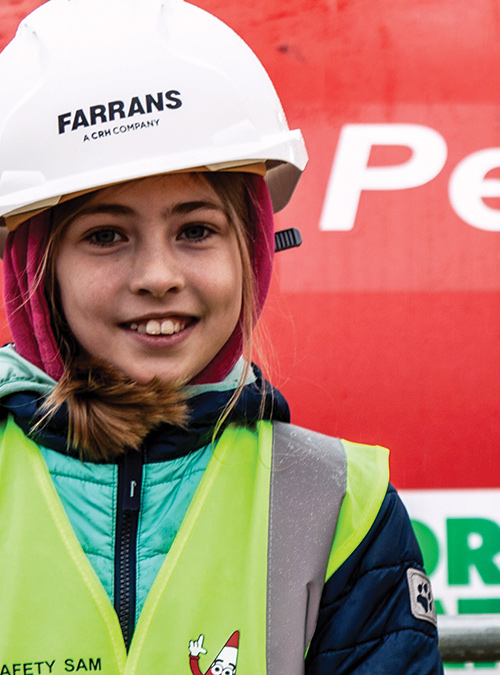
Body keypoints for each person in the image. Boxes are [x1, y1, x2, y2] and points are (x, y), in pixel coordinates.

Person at [0, 1, 442, 672]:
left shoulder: (338, 505)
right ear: (36, 267)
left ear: (253, 251)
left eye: (196, 230)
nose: (156, 275)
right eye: (106, 235)